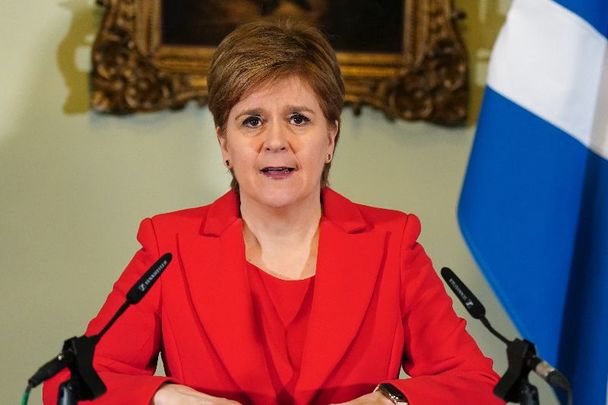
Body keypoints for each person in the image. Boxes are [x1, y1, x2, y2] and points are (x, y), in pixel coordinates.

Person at [43, 20, 503, 405]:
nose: (276, 141)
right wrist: (169, 397)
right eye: (252, 121)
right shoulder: (171, 245)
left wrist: (391, 401)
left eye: (299, 119)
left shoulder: (392, 243)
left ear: (331, 138)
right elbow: (68, 383)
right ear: (225, 143)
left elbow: (477, 386)